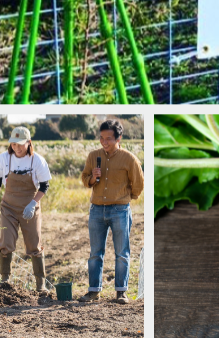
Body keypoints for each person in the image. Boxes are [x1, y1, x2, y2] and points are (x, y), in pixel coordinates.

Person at [78, 119, 144, 304]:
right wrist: (93, 178)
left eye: (108, 139)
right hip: (97, 210)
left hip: (120, 210)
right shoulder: (93, 156)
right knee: (95, 253)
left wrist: (126, 198)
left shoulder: (129, 159)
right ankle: (93, 291)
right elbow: (84, 178)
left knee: (122, 252)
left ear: (118, 138)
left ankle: (121, 292)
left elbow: (138, 184)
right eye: (101, 138)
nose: (104, 142)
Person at [0, 127, 53, 294]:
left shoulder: (36, 160)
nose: (17, 147)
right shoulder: (4, 158)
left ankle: (41, 284)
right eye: (14, 144)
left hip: (30, 206)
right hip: (8, 207)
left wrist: (33, 204)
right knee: (6, 242)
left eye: (21, 144)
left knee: (34, 244)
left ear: (29, 143)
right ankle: (5, 280)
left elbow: (45, 185)